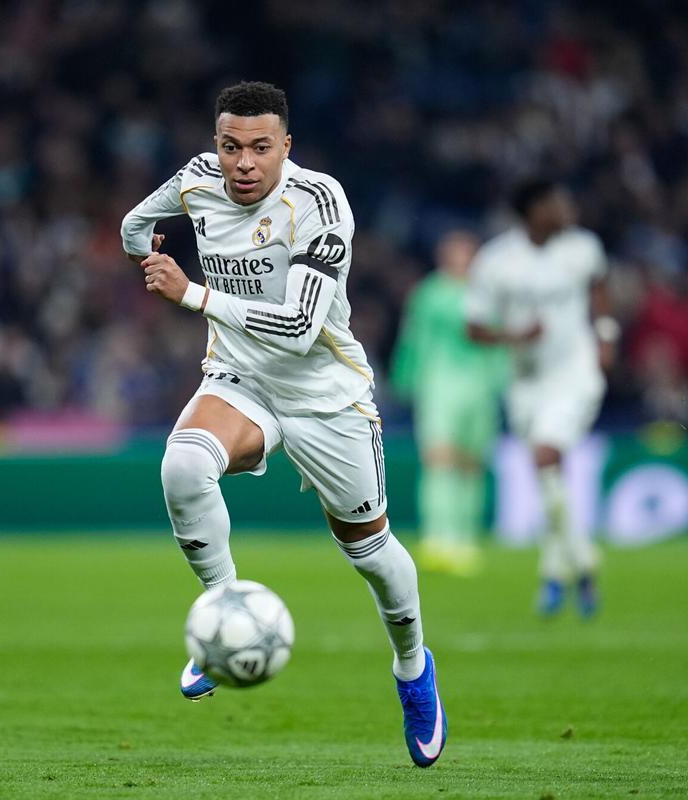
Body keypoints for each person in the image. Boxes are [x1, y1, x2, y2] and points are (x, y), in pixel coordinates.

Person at [120, 81, 445, 768]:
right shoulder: (197, 180)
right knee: (182, 466)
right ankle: (223, 616)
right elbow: (131, 224)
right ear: (216, 144)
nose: (243, 163)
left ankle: (413, 667)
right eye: (231, 146)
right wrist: (139, 244)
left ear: (285, 148)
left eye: (260, 148)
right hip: (241, 382)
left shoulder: (320, 203)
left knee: (373, 557)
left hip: (326, 398)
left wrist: (191, 293)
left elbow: (299, 329)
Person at [464, 179, 617, 617]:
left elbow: (599, 287)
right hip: (525, 383)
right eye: (555, 202)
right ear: (532, 210)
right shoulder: (497, 261)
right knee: (551, 479)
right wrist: (516, 336)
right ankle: (561, 571)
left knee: (546, 457)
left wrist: (606, 337)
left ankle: (584, 564)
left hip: (576, 373)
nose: (565, 206)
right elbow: (474, 327)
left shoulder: (582, 248)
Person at [390, 230, 505, 576]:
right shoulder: (429, 294)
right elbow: (413, 338)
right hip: (439, 383)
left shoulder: (487, 294)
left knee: (472, 462)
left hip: (481, 385)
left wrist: (504, 381)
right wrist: (406, 378)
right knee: (439, 458)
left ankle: (466, 537)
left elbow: (499, 341)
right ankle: (438, 537)